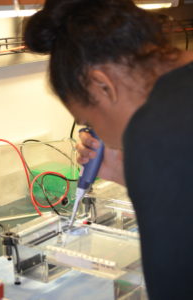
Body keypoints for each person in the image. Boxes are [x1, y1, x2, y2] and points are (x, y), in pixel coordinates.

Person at [24, 0, 193, 299]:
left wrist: (146, 165)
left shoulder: (158, 129)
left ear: (102, 85)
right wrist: (134, 175)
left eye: (89, 121)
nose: (102, 137)